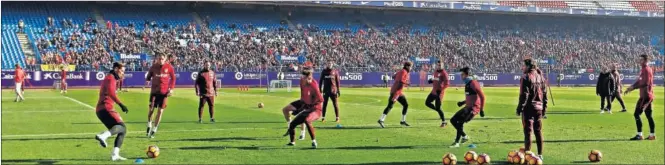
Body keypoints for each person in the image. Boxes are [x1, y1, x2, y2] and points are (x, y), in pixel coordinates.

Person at [93, 62, 130, 161]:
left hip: (101, 109)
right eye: (122, 71)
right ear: (116, 69)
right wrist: (121, 104)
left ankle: (115, 154)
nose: (123, 73)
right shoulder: (111, 78)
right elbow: (111, 93)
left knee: (122, 130)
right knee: (122, 127)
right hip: (105, 108)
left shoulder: (112, 78)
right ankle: (103, 135)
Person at [283, 66, 323, 148]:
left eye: (304, 76)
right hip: (307, 107)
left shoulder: (314, 85)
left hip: (316, 110)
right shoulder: (302, 81)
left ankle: (314, 142)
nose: (302, 77)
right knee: (292, 124)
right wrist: (300, 109)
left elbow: (321, 100)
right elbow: (303, 97)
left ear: (309, 76)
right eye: (302, 75)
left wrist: (309, 106)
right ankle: (292, 142)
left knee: (307, 120)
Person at [516, 59, 548, 161]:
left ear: (529, 66)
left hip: (528, 108)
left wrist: (519, 108)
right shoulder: (541, 77)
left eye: (524, 66)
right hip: (539, 107)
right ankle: (540, 155)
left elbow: (524, 95)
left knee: (528, 132)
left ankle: (527, 156)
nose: (522, 68)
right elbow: (545, 95)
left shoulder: (525, 77)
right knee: (538, 131)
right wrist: (544, 109)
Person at [449, 67, 485, 148]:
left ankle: (457, 143)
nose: (461, 76)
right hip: (467, 107)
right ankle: (464, 136)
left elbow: (482, 97)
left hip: (473, 108)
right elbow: (471, 97)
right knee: (453, 120)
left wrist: (482, 110)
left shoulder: (473, 83)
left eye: (462, 75)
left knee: (460, 122)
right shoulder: (468, 83)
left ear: (466, 75)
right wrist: (463, 102)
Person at [624, 54, 656, 141]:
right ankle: (652, 135)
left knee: (636, 114)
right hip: (645, 96)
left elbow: (646, 83)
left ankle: (639, 135)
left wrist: (633, 88)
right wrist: (632, 86)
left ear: (645, 61)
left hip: (645, 96)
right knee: (649, 115)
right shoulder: (643, 69)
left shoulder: (647, 70)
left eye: (641, 60)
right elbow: (639, 81)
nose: (639, 61)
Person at [145, 53, 176, 138]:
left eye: (162, 59)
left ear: (165, 59)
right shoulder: (153, 67)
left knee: (160, 111)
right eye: (159, 59)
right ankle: (149, 124)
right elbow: (149, 75)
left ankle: (154, 129)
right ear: (157, 59)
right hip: (154, 92)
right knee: (151, 110)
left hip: (164, 93)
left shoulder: (169, 67)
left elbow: (173, 78)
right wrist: (148, 80)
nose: (160, 60)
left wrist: (171, 88)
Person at [378, 62, 412, 128]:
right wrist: (407, 83)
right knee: (390, 106)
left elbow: (393, 77)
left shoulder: (401, 71)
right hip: (396, 92)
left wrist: (398, 78)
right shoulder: (404, 72)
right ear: (407, 66)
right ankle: (381, 120)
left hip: (399, 92)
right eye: (410, 67)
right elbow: (401, 81)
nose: (411, 68)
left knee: (406, 105)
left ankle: (403, 121)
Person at [425, 60, 449, 127]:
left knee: (438, 108)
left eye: (440, 65)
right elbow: (436, 80)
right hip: (433, 91)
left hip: (439, 94)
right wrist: (431, 81)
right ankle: (437, 110)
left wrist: (441, 90)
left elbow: (447, 84)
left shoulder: (444, 73)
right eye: (438, 65)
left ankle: (444, 122)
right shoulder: (435, 71)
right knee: (427, 103)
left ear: (443, 66)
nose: (439, 66)